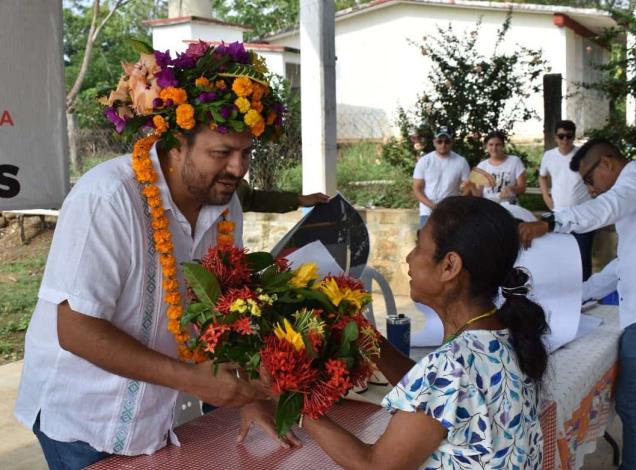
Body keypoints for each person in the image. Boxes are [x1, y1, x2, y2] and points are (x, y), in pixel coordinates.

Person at [14, 41, 285, 469]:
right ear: (176, 143)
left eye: (246, 152)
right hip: (84, 420)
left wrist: (247, 398)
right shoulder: (108, 197)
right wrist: (194, 381)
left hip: (161, 416)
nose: (238, 168)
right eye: (222, 154)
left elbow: (223, 312)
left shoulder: (224, 202)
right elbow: (77, 330)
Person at [243, 196, 550, 469]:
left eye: (419, 245)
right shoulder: (504, 335)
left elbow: (374, 465)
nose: (409, 257)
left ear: (449, 266)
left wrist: (290, 396)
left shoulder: (451, 365)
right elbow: (432, 394)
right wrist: (364, 334)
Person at [519, 138, 636, 470]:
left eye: (589, 180)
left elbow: (601, 211)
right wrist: (574, 295)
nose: (590, 190)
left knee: (634, 403)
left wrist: (550, 222)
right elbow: (624, 264)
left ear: (607, 164)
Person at [539, 120, 594, 280]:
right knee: (560, 256)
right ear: (555, 137)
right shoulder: (549, 156)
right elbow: (542, 177)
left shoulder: (583, 155)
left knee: (583, 256)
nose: (565, 140)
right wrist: (545, 195)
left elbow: (593, 177)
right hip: (559, 214)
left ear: (573, 137)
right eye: (561, 136)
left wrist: (593, 192)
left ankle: (586, 294)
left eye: (568, 136)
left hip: (583, 214)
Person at [412, 126, 471, 227]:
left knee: (452, 242)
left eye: (447, 141)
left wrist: (456, 204)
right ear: (434, 142)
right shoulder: (424, 161)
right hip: (427, 212)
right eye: (439, 141)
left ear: (452, 142)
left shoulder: (461, 162)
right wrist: (433, 206)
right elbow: (417, 188)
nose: (443, 145)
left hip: (451, 212)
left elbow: (468, 186)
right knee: (426, 242)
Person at [469, 131, 527, 204]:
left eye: (498, 145)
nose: (494, 148)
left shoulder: (515, 161)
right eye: (491, 145)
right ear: (486, 146)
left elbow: (522, 188)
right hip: (487, 205)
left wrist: (512, 189)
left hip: (509, 205)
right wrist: (471, 186)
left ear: (503, 146)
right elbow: (478, 194)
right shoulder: (481, 165)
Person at [235, 178, 329, 213]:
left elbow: (253, 199)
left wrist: (299, 200)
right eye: (224, 153)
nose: (238, 166)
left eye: (245, 154)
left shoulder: (237, 187)